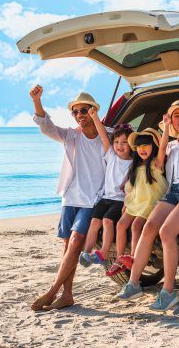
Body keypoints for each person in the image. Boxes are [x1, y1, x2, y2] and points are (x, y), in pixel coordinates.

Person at [117, 67, 179, 312]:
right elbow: (158, 157)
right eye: (176, 116)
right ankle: (133, 283)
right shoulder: (172, 146)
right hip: (174, 193)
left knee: (166, 231)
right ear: (171, 121)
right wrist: (163, 132)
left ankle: (169, 291)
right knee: (149, 227)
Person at [29, 85, 106, 311]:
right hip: (70, 197)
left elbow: (126, 148)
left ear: (94, 111)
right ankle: (67, 295)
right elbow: (46, 126)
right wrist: (36, 101)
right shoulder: (71, 136)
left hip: (93, 200)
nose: (80, 115)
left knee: (74, 244)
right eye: (76, 112)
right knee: (67, 248)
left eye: (85, 110)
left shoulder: (107, 134)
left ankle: (52, 291)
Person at [106, 123, 169, 277]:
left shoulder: (156, 164)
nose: (142, 149)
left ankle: (133, 257)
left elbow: (163, 147)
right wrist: (126, 204)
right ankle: (120, 258)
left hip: (151, 204)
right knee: (120, 224)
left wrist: (166, 127)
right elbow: (131, 188)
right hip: (135, 203)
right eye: (139, 146)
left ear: (153, 146)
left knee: (136, 226)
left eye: (146, 145)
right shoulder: (135, 166)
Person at [78, 107, 133, 267]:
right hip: (106, 198)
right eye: (116, 142)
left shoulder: (133, 163)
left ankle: (103, 252)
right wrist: (94, 117)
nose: (119, 146)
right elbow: (102, 134)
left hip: (119, 201)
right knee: (95, 222)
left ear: (131, 145)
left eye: (124, 142)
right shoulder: (111, 155)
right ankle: (87, 252)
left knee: (108, 222)